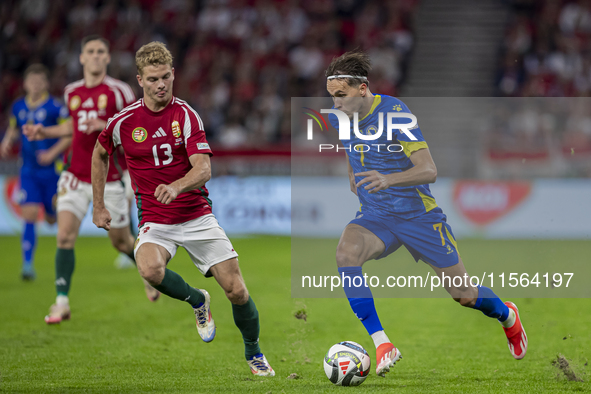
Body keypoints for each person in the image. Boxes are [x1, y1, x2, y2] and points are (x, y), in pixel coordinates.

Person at [324, 51, 528, 377]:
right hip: (377, 215)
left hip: (419, 217)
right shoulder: (342, 117)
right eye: (331, 96)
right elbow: (351, 146)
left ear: (362, 90)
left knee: (464, 295)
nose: (335, 104)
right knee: (346, 254)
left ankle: (507, 316)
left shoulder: (395, 114)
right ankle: (382, 344)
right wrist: (353, 175)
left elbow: (429, 170)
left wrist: (387, 178)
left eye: (340, 95)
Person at [91, 41, 275, 377]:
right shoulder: (123, 121)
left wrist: (175, 187)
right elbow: (100, 152)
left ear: (173, 74)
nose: (161, 84)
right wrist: (99, 204)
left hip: (196, 214)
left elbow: (203, 168)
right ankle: (197, 301)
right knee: (148, 270)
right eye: (153, 79)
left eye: (165, 77)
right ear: (140, 81)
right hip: (155, 221)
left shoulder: (186, 115)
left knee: (236, 290)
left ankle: (254, 353)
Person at [23, 35, 158, 324]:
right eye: (90, 52)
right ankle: (61, 302)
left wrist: (107, 127)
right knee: (64, 236)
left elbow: (138, 132)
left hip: (108, 179)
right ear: (82, 58)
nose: (96, 56)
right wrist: (44, 133)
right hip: (74, 174)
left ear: (107, 58)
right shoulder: (72, 91)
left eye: (101, 52)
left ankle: (147, 272)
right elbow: (73, 126)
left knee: (121, 243)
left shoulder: (119, 91)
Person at [1, 64, 71, 280]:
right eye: (32, 81)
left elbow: (69, 134)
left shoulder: (56, 107)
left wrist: (52, 153)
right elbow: (14, 126)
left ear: (46, 84)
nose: (35, 85)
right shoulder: (18, 106)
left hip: (53, 171)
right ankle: (27, 265)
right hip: (29, 170)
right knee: (29, 215)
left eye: (40, 81)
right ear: (25, 84)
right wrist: (6, 140)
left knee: (51, 217)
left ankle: (52, 216)